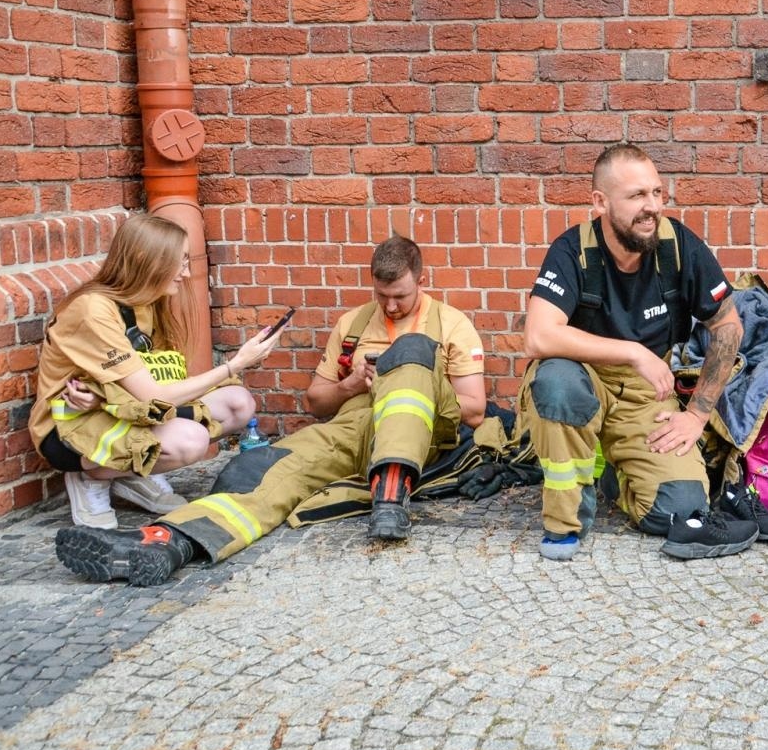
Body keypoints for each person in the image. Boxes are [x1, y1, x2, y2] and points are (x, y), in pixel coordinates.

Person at [55, 234, 485, 586]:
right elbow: (316, 404)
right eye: (382, 295)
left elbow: (475, 411)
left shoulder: (450, 324)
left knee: (411, 351)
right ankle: (165, 541)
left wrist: (405, 377)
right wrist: (352, 384)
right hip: (353, 430)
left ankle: (391, 494)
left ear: (421, 281)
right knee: (261, 471)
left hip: (424, 435)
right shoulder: (353, 325)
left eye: (400, 297)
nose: (390, 306)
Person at [520, 142, 768, 561]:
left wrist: (697, 415)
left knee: (681, 511)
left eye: (656, 192)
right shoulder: (573, 250)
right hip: (583, 377)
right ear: (600, 202)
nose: (652, 206)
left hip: (646, 392)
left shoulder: (678, 246)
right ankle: (565, 524)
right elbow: (539, 337)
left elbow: (728, 326)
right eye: (637, 195)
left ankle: (615, 476)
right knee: (557, 384)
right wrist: (634, 351)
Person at [31, 214, 281, 529]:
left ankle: (134, 473)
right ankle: (91, 477)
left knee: (238, 404)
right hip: (71, 428)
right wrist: (235, 364)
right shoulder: (93, 310)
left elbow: (157, 380)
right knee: (191, 440)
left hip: (121, 410)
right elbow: (154, 395)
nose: (186, 273)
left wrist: (106, 399)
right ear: (146, 260)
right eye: (180, 261)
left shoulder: (145, 302)